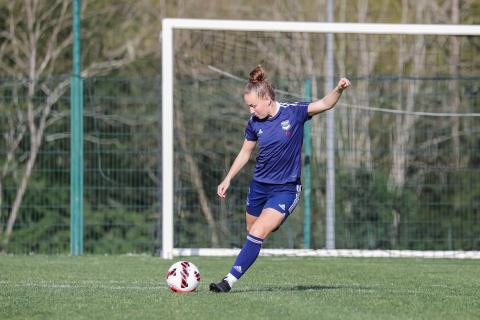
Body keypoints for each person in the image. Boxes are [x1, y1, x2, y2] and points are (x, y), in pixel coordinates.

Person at [209, 65, 350, 293]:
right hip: (259, 187)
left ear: (266, 98)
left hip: (285, 189)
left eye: (253, 105)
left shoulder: (294, 113)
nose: (252, 110)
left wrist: (339, 89)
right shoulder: (254, 122)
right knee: (252, 230)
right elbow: (245, 152)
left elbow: (325, 103)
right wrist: (228, 178)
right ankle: (269, 222)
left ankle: (227, 282)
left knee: (257, 233)